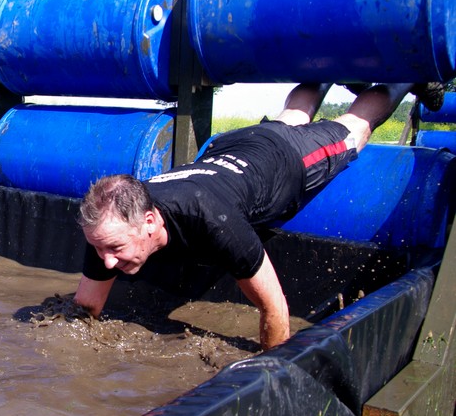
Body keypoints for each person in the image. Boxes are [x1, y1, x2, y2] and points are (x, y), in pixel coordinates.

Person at [73, 81, 444, 350]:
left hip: (287, 161)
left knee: (354, 129)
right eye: (101, 249)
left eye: (114, 249)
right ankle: (322, 75)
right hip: (233, 146)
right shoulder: (108, 226)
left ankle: (405, 78)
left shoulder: (214, 221)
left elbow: (275, 308)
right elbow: (86, 306)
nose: (107, 261)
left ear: (151, 222)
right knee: (291, 116)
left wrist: (266, 376)